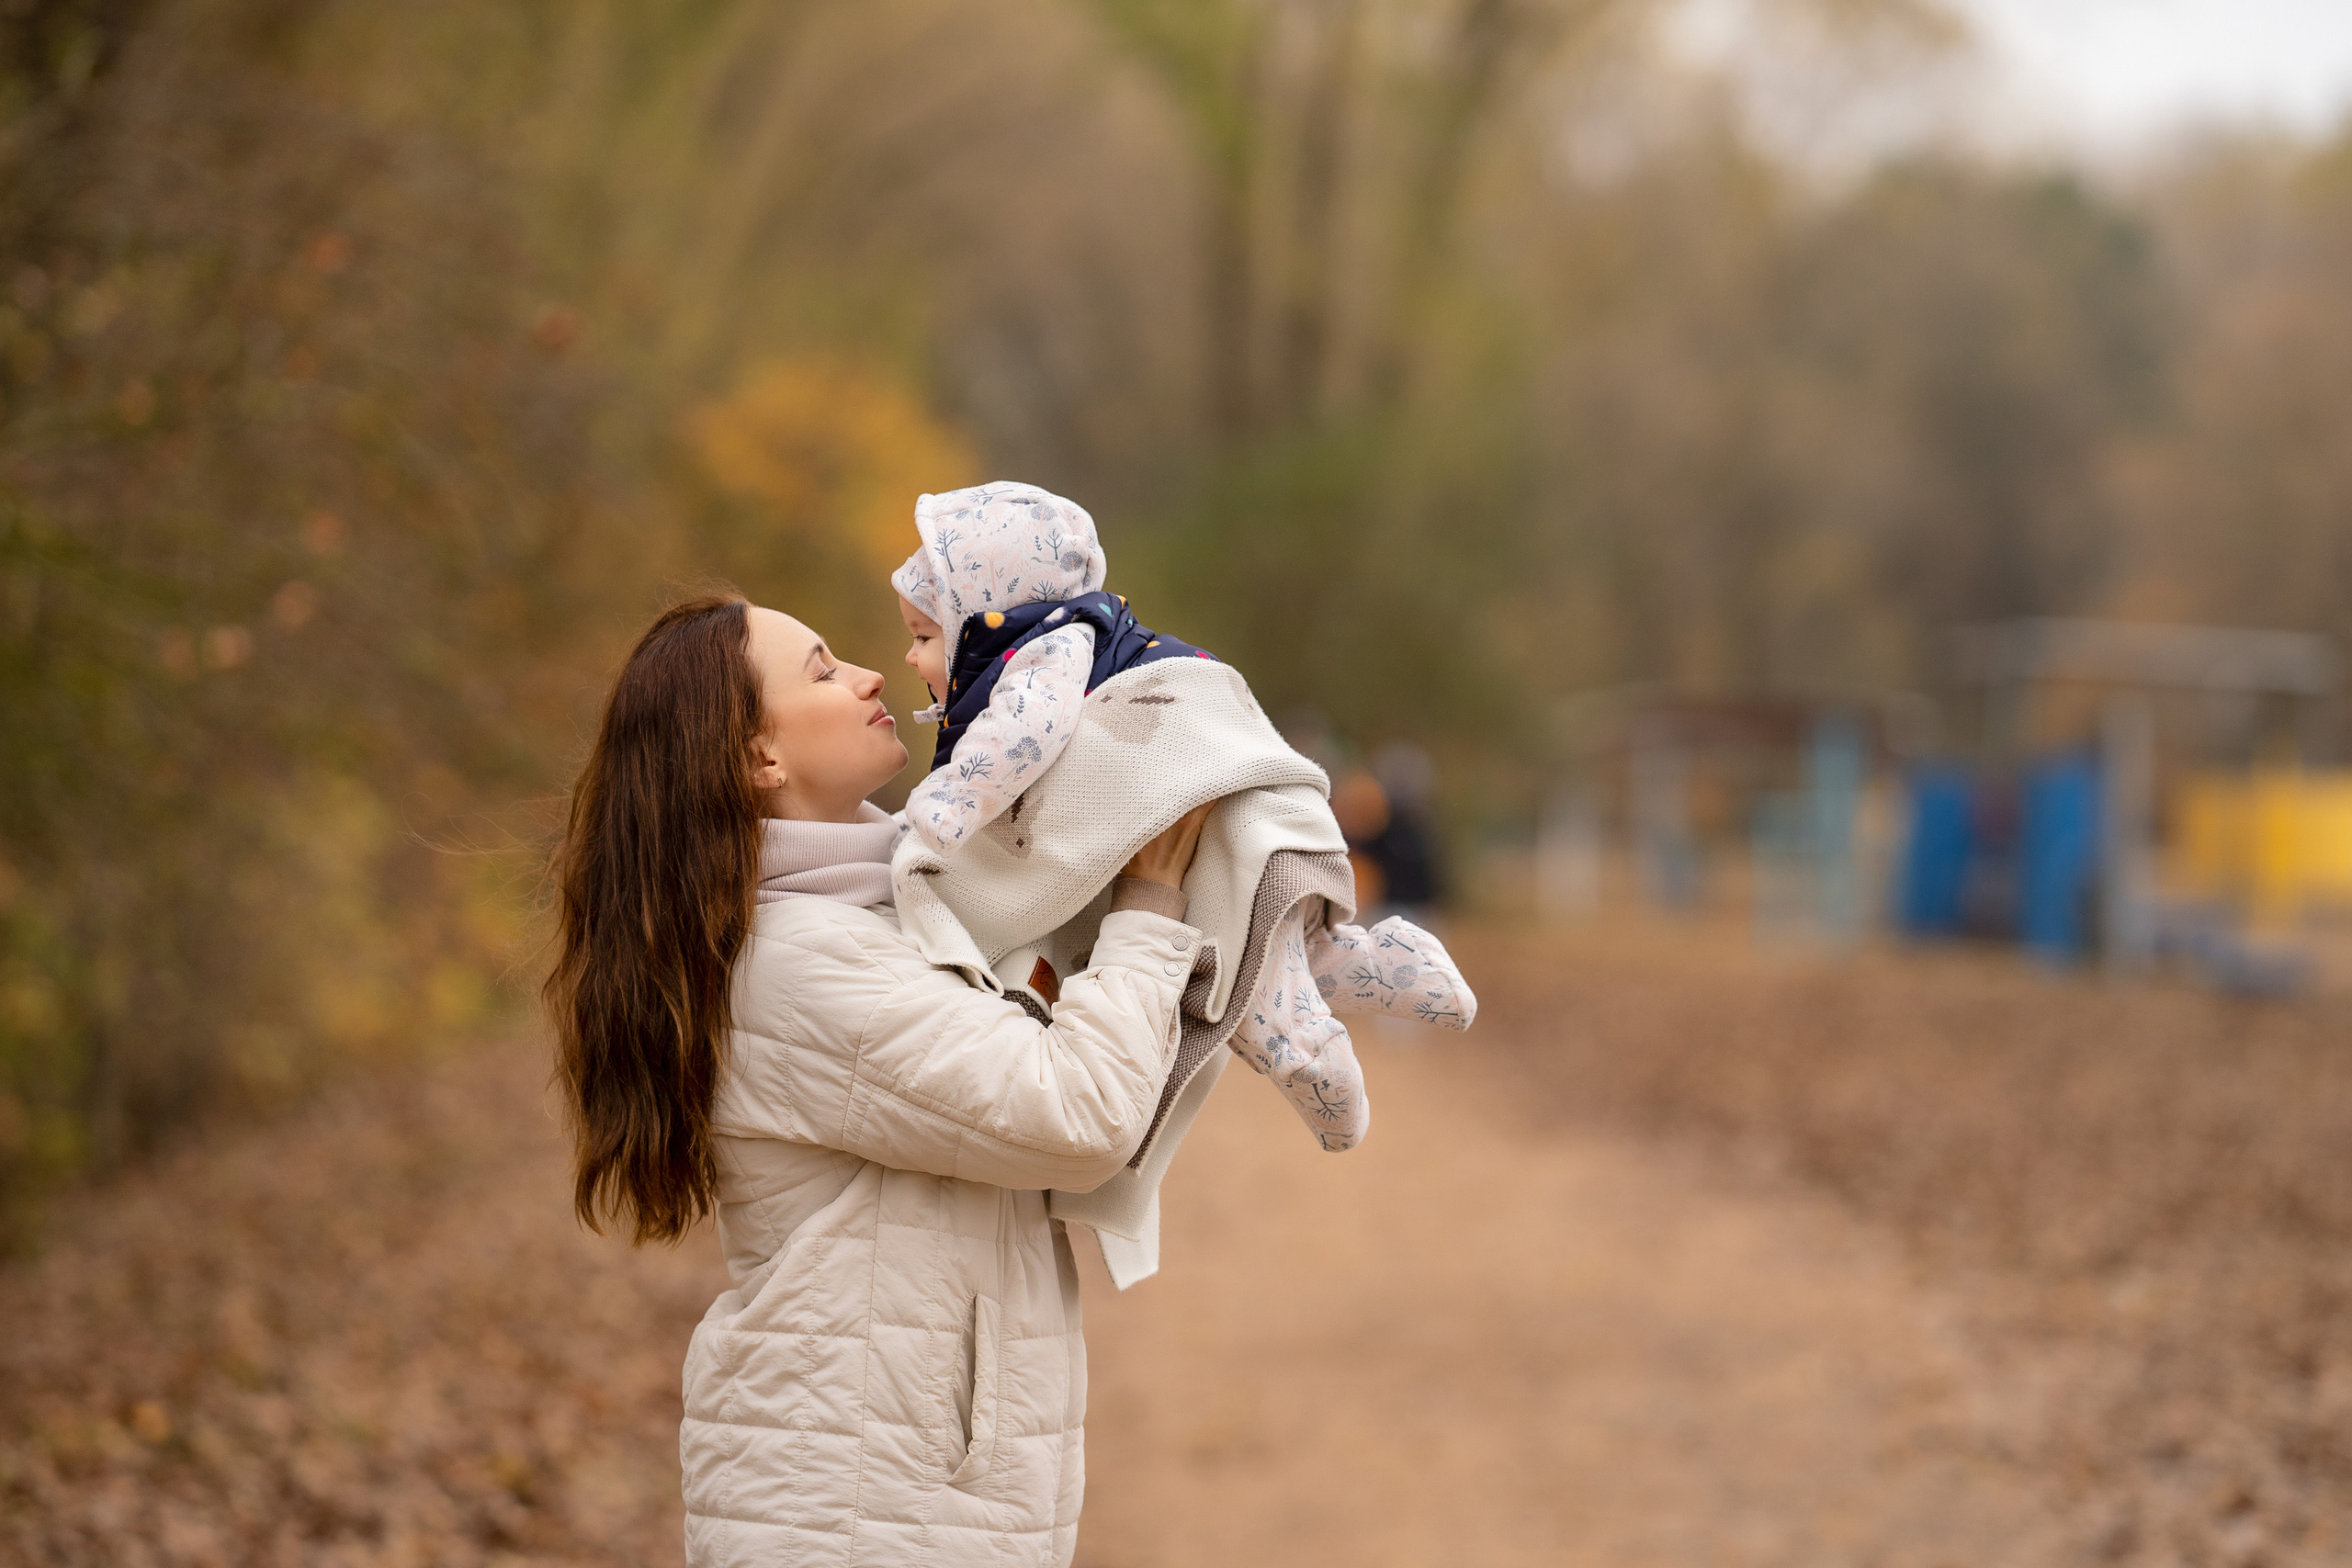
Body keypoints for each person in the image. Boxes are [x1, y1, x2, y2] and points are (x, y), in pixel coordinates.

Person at [543, 592, 1213, 1568]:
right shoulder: (798, 960)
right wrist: (1151, 901)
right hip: (856, 1516)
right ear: (757, 758)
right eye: (819, 670)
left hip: (884, 1497)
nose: (867, 675)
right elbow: (1077, 1114)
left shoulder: (869, 920)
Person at [887, 482, 1476, 1171]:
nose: (911, 656)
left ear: (982, 615)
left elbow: (1025, 734)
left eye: (924, 635)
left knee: (1249, 987)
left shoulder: (1045, 652)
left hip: (1192, 801)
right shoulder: (1063, 639)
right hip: (1210, 809)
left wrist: (949, 803)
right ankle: (1390, 968)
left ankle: (1314, 1059)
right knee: (1284, 946)